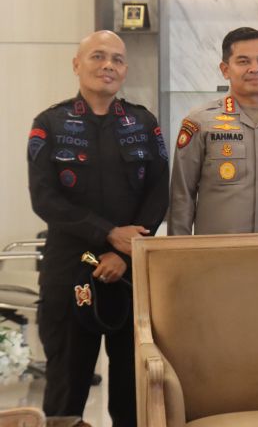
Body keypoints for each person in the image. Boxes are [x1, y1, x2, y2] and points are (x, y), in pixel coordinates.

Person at [27, 30, 169, 426]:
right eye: (98, 56)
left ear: (125, 69)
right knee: (66, 391)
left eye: (117, 59)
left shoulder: (143, 122)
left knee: (133, 393)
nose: (108, 65)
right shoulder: (50, 123)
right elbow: (45, 199)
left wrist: (125, 251)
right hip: (69, 270)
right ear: (77, 64)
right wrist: (108, 234)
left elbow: (159, 192)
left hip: (130, 272)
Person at [169, 27, 258, 235]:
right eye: (244, 61)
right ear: (225, 69)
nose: (255, 69)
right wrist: (177, 250)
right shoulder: (200, 122)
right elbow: (182, 197)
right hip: (215, 251)